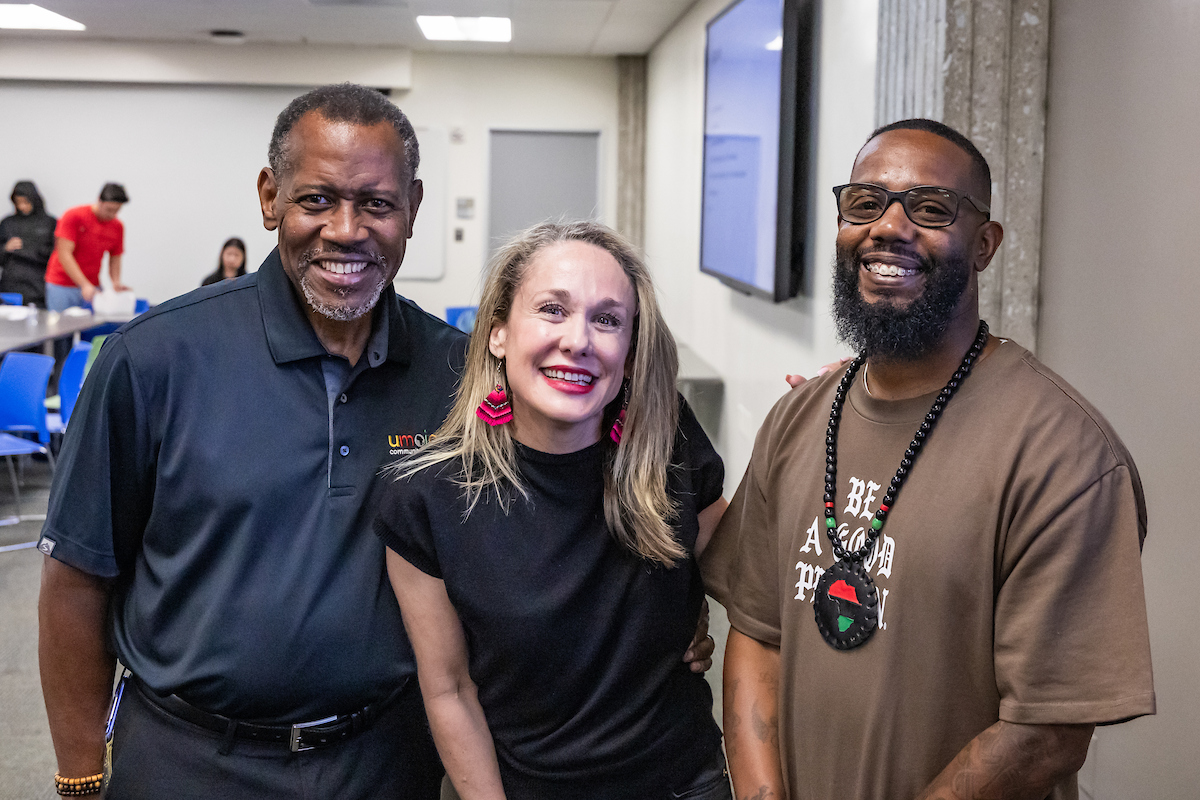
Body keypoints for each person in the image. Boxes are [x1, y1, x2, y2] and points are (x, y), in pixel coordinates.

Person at [37, 83, 711, 800]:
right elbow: (78, 580)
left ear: (412, 210)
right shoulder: (152, 360)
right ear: (270, 198)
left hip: (389, 758)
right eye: (317, 199)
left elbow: (572, 494)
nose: (346, 229)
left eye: (378, 204)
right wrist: (81, 775)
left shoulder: (466, 372)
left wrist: (678, 604)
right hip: (190, 759)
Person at [701, 118, 1155, 800]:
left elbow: (1047, 733)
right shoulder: (798, 419)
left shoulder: (1061, 453)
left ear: (985, 244)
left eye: (932, 209)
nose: (888, 227)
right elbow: (757, 634)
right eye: (864, 203)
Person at [377, 220, 732, 800]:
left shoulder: (669, 452)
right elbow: (450, 690)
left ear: (631, 347)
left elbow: (756, 588)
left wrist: (832, 421)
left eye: (608, 319)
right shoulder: (425, 494)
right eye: (552, 309)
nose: (579, 340)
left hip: (682, 785)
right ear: (497, 333)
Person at [44, 182, 130, 311]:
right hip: (62, 284)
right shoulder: (74, 216)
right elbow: (64, 254)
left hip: (92, 285)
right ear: (99, 201)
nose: (111, 215)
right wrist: (84, 284)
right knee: (61, 328)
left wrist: (115, 282)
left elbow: (115, 257)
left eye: (116, 211)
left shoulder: (117, 226)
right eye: (109, 210)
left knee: (90, 327)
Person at [0, 181, 56, 307]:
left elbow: (55, 255)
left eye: (25, 202)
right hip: (11, 286)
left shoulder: (49, 223)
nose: (22, 207)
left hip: (38, 286)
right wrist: (5, 248)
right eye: (18, 202)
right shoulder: (7, 223)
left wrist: (30, 250)